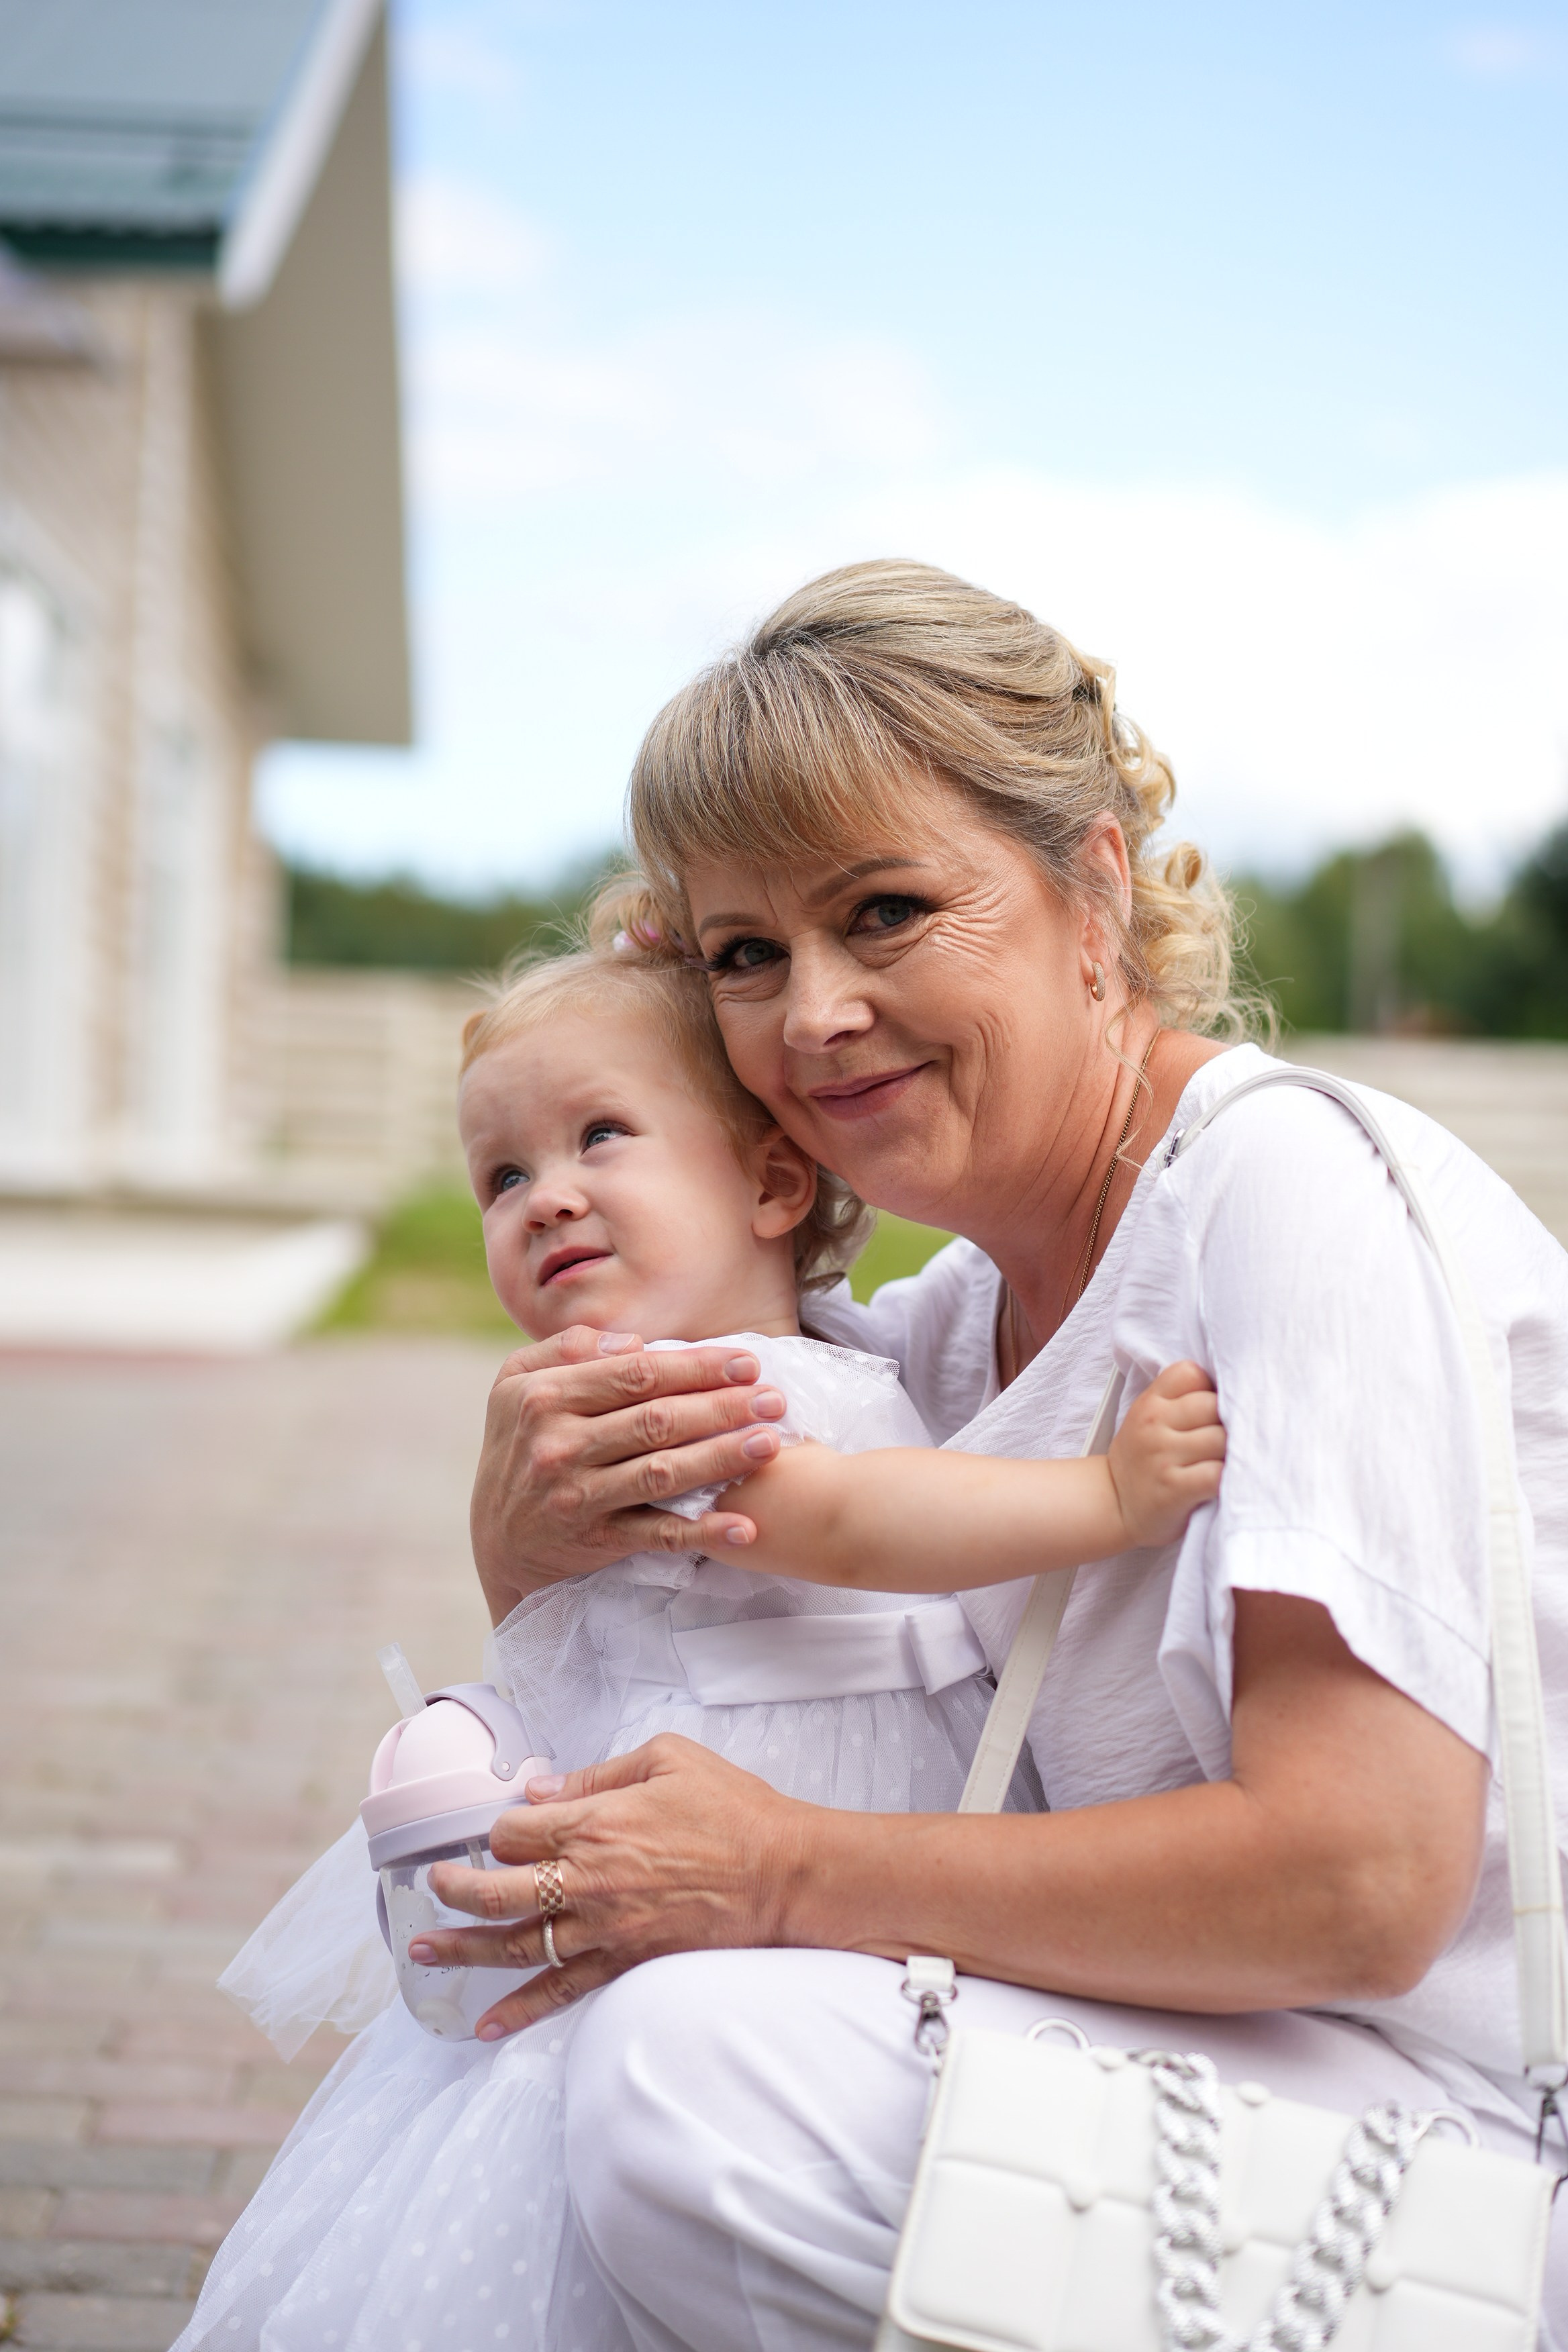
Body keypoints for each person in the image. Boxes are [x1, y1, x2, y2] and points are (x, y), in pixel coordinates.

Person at [420, 559, 1568, 2352]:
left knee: (686, 2067)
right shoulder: (949, 1327)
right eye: (744, 956)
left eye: (884, 912)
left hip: (1445, 2167)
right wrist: (540, 1548)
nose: (810, 1020)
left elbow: (1361, 1885)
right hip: (1197, 2093)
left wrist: (787, 1873)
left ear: (1090, 888)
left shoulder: (1291, 1203)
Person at [176, 920, 1223, 2352]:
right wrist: (1104, 1496)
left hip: (806, 1819)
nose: (545, 1200)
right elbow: (847, 1523)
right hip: (750, 1835)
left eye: (600, 1136)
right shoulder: (662, 1400)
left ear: (773, 1179)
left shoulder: (824, 1351)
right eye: (501, 1176)